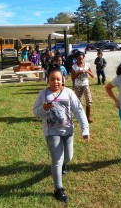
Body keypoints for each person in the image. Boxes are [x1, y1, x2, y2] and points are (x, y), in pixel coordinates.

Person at [33, 65, 90, 203]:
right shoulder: (43, 94)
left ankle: (64, 165)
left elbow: (79, 110)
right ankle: (58, 188)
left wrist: (85, 129)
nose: (55, 82)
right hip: (51, 132)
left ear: (62, 79)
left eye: (58, 79)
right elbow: (36, 112)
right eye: (52, 79)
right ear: (48, 80)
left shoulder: (68, 93)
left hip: (68, 131)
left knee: (68, 157)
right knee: (57, 159)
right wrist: (44, 108)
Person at [71, 51, 94, 123]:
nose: (80, 60)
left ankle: (88, 117)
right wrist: (78, 73)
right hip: (78, 85)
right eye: (78, 59)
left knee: (89, 100)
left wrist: (87, 71)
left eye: (82, 59)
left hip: (85, 84)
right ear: (76, 59)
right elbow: (72, 78)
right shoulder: (74, 66)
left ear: (84, 58)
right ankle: (80, 116)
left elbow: (93, 76)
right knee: (78, 101)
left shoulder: (87, 65)